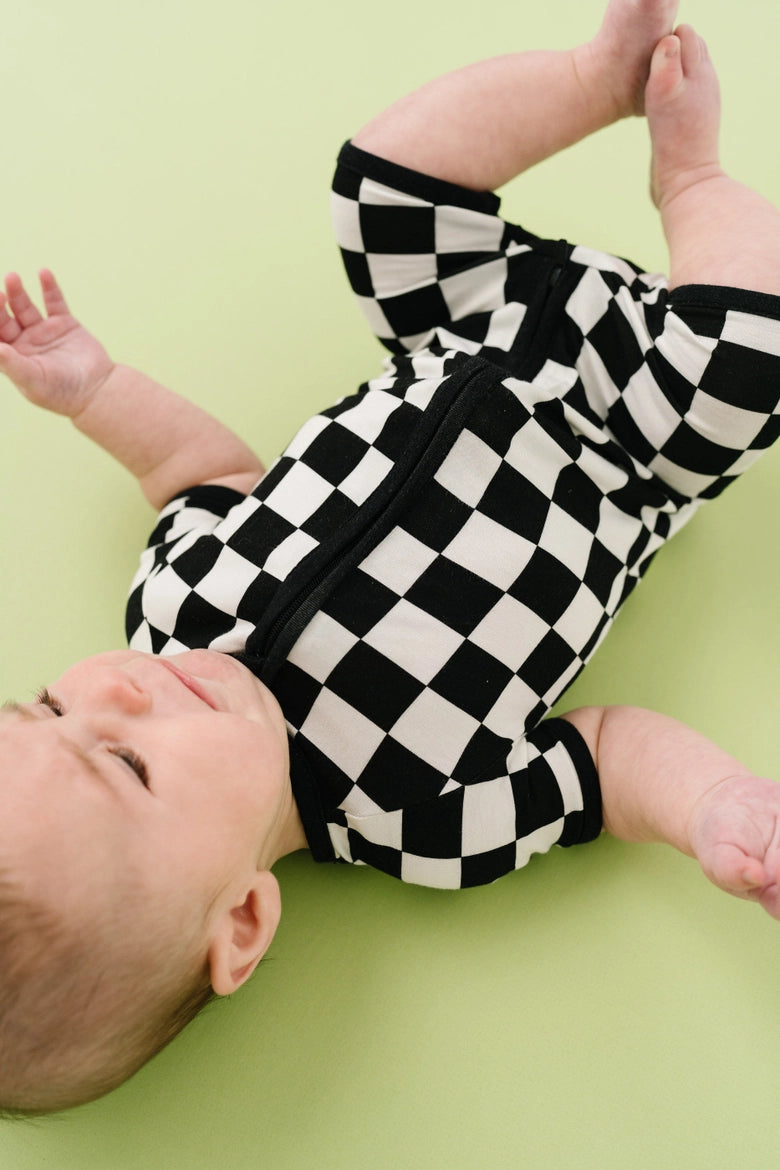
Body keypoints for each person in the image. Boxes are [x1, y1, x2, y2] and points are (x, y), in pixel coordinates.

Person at [2, 0, 780, 1116]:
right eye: (125, 765)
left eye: (46, 705)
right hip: (638, 432)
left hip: (461, 325)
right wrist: (715, 805)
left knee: (382, 183)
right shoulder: (426, 815)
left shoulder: (176, 606)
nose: (111, 691)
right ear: (243, 921)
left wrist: (98, 394)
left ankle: (591, 78)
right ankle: (695, 187)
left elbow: (205, 475)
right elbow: (605, 762)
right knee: (751, 363)